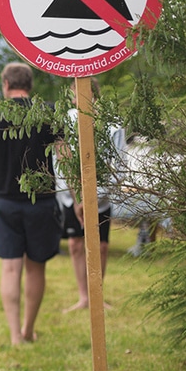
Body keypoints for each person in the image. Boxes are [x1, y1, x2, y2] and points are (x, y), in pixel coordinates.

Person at [0, 62, 63, 345]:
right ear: (30, 84)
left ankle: (15, 336)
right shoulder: (49, 113)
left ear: (5, 84)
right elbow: (66, 158)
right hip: (43, 203)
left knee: (11, 268)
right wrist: (77, 199)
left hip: (4, 203)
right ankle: (28, 329)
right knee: (36, 267)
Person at [56, 79, 125, 312]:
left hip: (101, 199)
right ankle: (83, 296)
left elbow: (120, 167)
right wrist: (79, 197)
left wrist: (93, 197)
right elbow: (62, 161)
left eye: (76, 94)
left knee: (101, 246)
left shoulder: (112, 125)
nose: (74, 99)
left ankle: (97, 296)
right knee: (76, 243)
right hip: (72, 196)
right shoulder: (66, 120)